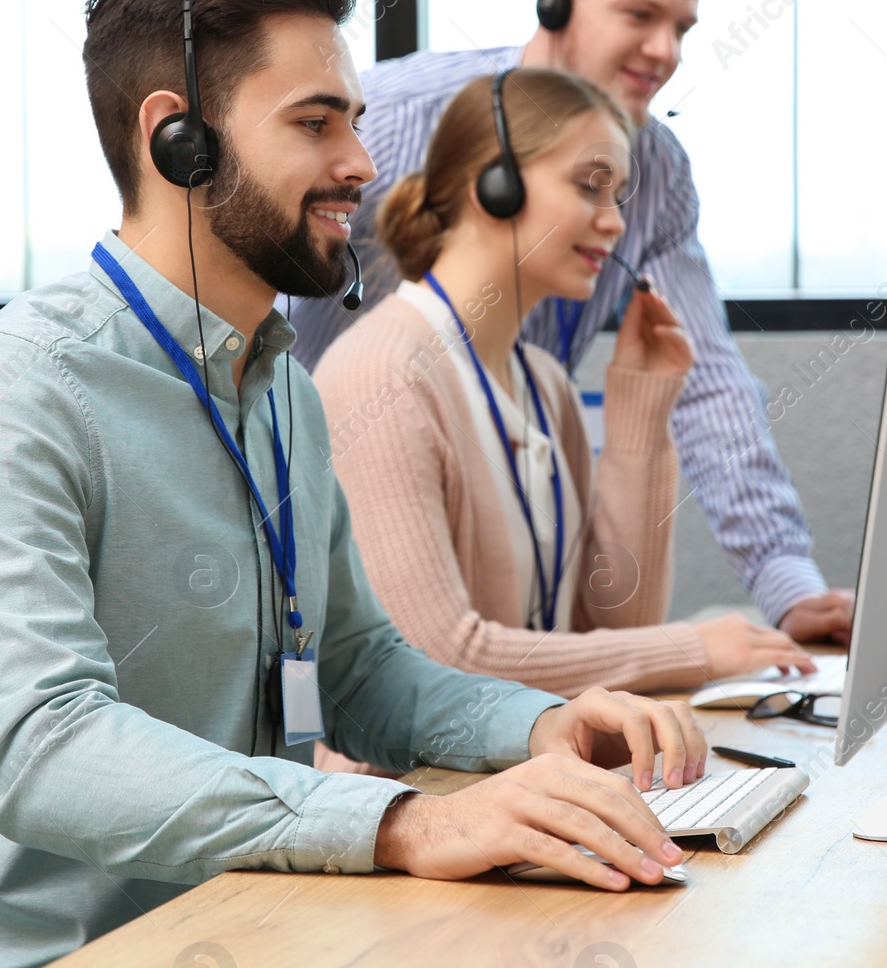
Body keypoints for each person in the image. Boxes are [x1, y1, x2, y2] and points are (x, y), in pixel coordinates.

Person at [0, 0, 710, 968]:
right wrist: (408, 822)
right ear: (177, 139)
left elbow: (361, 666)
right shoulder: (17, 393)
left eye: (357, 122)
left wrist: (542, 726)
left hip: (259, 929)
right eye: (315, 123)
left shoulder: (279, 387)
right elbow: (41, 748)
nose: (362, 165)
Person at [290, 0, 854, 645]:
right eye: (639, 15)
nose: (667, 50)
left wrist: (786, 580)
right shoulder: (386, 118)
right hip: (342, 493)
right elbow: (246, 277)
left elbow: (709, 380)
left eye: (682, 28)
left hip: (509, 496)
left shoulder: (650, 173)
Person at [310, 69, 812, 776]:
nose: (615, 221)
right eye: (590, 184)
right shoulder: (382, 372)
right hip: (413, 806)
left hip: (526, 787)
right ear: (496, 185)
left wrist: (640, 403)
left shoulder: (543, 383)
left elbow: (612, 636)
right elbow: (439, 660)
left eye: (619, 195)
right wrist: (692, 649)